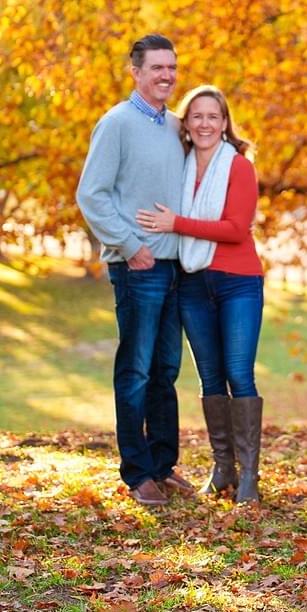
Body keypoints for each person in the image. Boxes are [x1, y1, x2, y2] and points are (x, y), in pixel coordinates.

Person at [77, 33, 194, 508]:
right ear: (136, 72)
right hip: (138, 266)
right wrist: (129, 246)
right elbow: (92, 194)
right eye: (156, 68)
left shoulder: (173, 126)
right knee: (137, 370)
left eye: (171, 67)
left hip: (174, 265)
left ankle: (164, 465)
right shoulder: (117, 123)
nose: (166, 75)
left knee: (167, 368)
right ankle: (138, 472)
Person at [135, 86, 265, 504]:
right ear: (186, 125)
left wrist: (176, 223)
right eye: (197, 116)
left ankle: (249, 476)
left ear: (225, 123)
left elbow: (235, 228)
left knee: (238, 373)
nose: (205, 123)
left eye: (214, 116)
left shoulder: (239, 166)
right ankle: (223, 467)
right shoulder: (180, 168)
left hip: (238, 282)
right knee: (210, 377)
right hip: (193, 282)